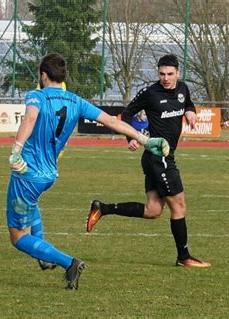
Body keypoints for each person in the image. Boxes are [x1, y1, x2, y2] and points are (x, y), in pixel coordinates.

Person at [6, 53, 169, 290]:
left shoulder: (36, 96)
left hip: (27, 172)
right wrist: (146, 140)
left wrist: (16, 150)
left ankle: (68, 262)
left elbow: (30, 118)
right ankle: (44, 255)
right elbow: (113, 122)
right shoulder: (76, 101)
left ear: (43, 75)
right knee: (31, 205)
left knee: (18, 237)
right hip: (49, 174)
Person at [86, 54, 212, 268]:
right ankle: (184, 257)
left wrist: (191, 113)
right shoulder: (150, 93)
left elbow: (189, 104)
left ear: (178, 73)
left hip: (163, 157)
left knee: (153, 210)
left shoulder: (183, 89)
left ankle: (103, 208)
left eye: (170, 74)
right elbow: (126, 115)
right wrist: (131, 137)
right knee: (179, 207)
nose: (165, 78)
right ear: (158, 73)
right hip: (158, 157)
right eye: (162, 73)